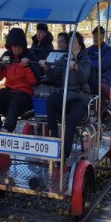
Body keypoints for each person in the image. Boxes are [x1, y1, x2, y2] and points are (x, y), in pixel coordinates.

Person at [40, 32, 91, 160]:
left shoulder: (85, 59)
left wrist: (76, 67)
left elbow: (84, 78)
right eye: (70, 43)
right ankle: (54, 136)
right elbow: (54, 76)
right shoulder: (64, 58)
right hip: (64, 95)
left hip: (79, 97)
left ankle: (64, 153)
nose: (71, 45)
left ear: (80, 45)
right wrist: (47, 68)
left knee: (72, 119)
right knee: (51, 100)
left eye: (74, 43)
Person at [0, 28, 38, 132]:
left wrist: (26, 67)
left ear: (23, 46)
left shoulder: (29, 56)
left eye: (18, 46)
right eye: (13, 46)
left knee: (15, 103)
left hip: (25, 93)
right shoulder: (7, 56)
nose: (16, 49)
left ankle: (7, 129)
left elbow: (34, 81)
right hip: (9, 90)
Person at [87, 25, 111, 107]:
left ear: (103, 36)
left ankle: (98, 115)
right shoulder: (88, 50)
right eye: (94, 36)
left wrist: (89, 63)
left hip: (103, 80)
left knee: (101, 88)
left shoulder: (108, 49)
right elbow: (83, 63)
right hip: (90, 80)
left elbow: (103, 65)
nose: (95, 38)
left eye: (98, 36)